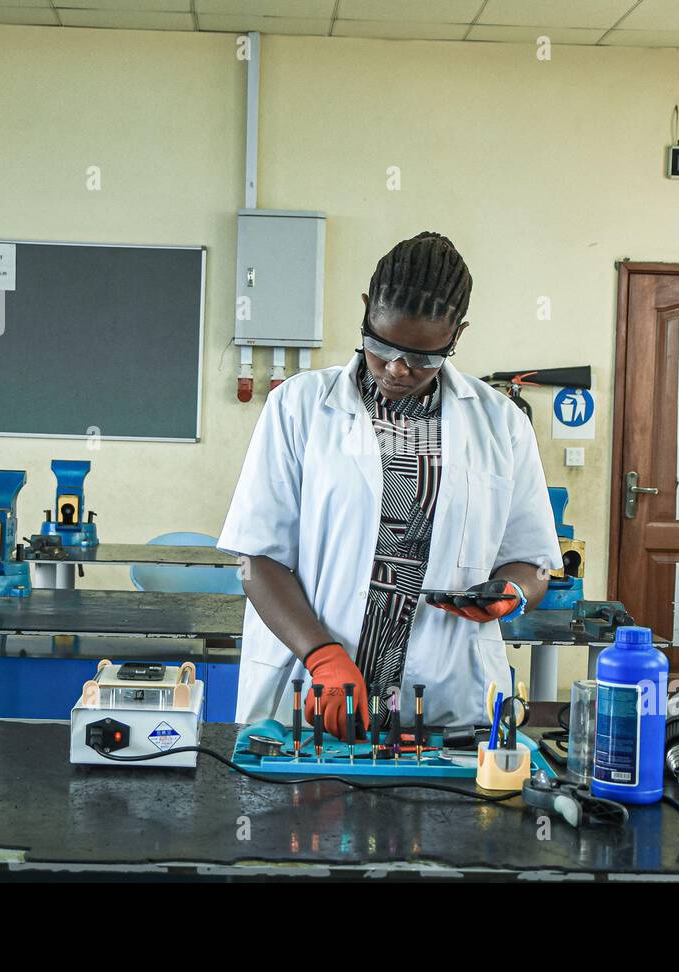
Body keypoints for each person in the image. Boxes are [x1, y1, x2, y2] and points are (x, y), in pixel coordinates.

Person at [218, 232, 561, 736]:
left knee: (447, 812)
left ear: (456, 338)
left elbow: (532, 561)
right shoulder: (298, 406)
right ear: (364, 312)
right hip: (316, 691)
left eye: (424, 357)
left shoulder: (501, 423)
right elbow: (257, 558)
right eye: (381, 346)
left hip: (446, 701)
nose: (398, 368)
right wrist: (322, 657)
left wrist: (511, 590)